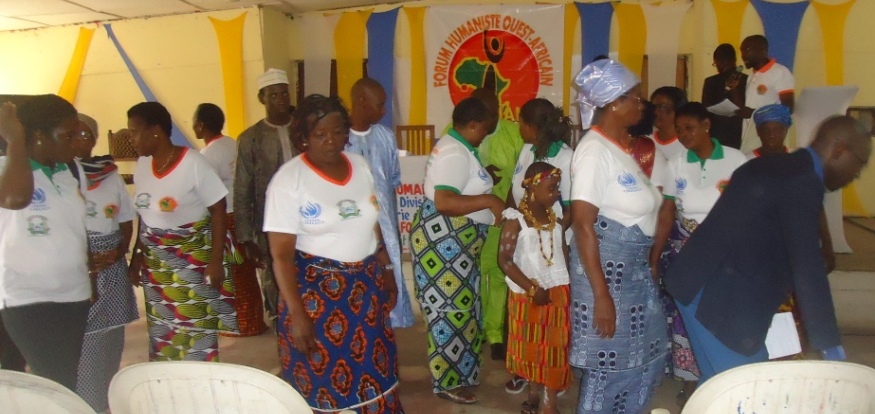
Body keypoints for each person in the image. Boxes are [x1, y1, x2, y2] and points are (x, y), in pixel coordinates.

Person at [664, 116, 871, 384]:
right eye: (860, 163)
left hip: (701, 283)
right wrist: (828, 342)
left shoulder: (779, 166)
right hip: (714, 297)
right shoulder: (801, 179)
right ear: (839, 150)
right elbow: (807, 265)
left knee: (721, 386)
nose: (857, 174)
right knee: (746, 388)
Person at [264, 94, 403, 413]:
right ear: (303, 137)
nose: (331, 140)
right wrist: (298, 314)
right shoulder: (288, 180)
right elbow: (281, 256)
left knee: (376, 369)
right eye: (320, 134)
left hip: (366, 290)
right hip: (317, 297)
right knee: (324, 379)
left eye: (338, 131)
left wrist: (386, 269)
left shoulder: (360, 166)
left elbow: (372, 221)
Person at [570, 59, 668, 413]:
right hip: (609, 278)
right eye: (636, 98)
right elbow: (583, 224)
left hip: (633, 274)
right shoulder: (594, 150)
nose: (643, 105)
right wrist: (601, 296)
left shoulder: (620, 149)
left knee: (641, 363)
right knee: (610, 371)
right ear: (613, 103)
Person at [649, 102, 747, 406]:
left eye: (689, 128)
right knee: (687, 321)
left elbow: (749, 209)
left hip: (727, 255)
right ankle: (692, 380)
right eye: (679, 130)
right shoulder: (676, 164)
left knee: (723, 316)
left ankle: (725, 376)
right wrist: (654, 258)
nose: (683, 135)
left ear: (707, 125)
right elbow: (667, 213)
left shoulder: (735, 159)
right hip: (686, 254)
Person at [127, 101, 238, 362]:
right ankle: (169, 381)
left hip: (192, 263)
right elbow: (144, 215)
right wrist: (137, 256)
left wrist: (215, 261)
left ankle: (200, 381)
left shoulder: (193, 163)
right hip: (157, 268)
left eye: (134, 132)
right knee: (164, 333)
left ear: (156, 131)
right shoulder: (142, 166)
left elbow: (219, 210)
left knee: (194, 332)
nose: (130, 139)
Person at [411, 97, 505, 404]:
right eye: (488, 124)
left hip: (456, 248)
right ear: (474, 125)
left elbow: (460, 185)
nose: (490, 130)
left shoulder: (461, 147)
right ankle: (447, 381)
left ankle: (462, 374)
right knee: (448, 313)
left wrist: (484, 179)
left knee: (463, 310)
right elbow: (445, 201)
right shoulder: (455, 153)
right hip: (445, 246)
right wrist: (490, 200)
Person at [0, 96, 91, 391]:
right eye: (68, 135)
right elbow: (15, 199)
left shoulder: (69, 172)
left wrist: (90, 275)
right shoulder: (6, 170)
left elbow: (76, 228)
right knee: (56, 383)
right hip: (27, 297)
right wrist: (15, 139)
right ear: (39, 137)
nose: (76, 142)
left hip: (73, 294)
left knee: (63, 379)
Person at [503, 97, 573, 397]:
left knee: (551, 321)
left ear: (532, 126)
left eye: (521, 122)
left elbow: (571, 205)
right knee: (524, 318)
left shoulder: (566, 157)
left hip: (550, 243)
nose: (519, 127)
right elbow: (515, 188)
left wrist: (552, 232)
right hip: (524, 236)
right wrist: (512, 218)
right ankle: (525, 371)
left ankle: (549, 380)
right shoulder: (527, 149)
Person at [70, 113, 139, 411]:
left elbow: (125, 219)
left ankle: (105, 403)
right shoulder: (57, 177)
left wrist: (119, 251)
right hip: (77, 268)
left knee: (111, 340)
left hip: (111, 264)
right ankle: (85, 405)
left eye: (87, 135)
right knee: (83, 344)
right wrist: (83, 257)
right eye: (73, 134)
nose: (80, 141)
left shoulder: (109, 174)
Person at [499, 162, 570, 414]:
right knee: (531, 348)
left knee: (554, 348)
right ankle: (533, 394)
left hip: (557, 291)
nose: (556, 194)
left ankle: (549, 403)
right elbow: (504, 260)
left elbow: (563, 252)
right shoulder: (515, 220)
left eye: (557, 188)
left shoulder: (556, 219)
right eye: (551, 188)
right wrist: (532, 289)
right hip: (527, 294)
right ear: (531, 188)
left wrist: (568, 285)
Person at [346, 78, 415, 329]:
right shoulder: (340, 138)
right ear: (362, 102)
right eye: (380, 104)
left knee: (389, 279)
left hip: (385, 226)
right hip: (351, 226)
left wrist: (393, 226)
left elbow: (393, 182)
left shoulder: (385, 136)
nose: (384, 110)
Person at [195, 103, 268, 337]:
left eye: (195, 122)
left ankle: (243, 325)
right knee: (245, 270)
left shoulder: (206, 156)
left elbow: (204, 193)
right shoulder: (232, 143)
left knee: (233, 272)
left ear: (201, 125)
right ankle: (254, 320)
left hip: (225, 217)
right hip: (244, 213)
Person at [235, 68, 299, 319]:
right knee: (273, 278)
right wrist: (246, 237)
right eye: (273, 95)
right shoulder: (250, 138)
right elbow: (243, 188)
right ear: (261, 98)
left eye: (284, 93)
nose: (280, 99)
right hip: (269, 221)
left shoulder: (304, 130)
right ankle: (281, 324)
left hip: (307, 216)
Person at [471, 88, 524, 361]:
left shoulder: (514, 134)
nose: (489, 119)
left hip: (503, 217)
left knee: (500, 275)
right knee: (475, 275)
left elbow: (522, 175)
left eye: (493, 113)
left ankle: (495, 334)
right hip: (470, 218)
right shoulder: (458, 131)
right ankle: (476, 329)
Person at [735, 35, 795, 154]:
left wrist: (753, 113)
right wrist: (733, 89)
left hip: (770, 138)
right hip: (750, 135)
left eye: (747, 50)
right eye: (741, 51)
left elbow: (788, 108)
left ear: (762, 50)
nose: (743, 55)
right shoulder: (751, 77)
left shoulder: (779, 72)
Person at [702, 44, 747, 150]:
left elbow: (704, 110)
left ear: (720, 61)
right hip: (741, 132)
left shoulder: (711, 81)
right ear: (734, 59)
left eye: (715, 63)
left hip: (718, 134)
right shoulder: (747, 79)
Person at [650, 86, 688, 160]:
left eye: (662, 107)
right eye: (653, 107)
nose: (656, 112)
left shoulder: (687, 144)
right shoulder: (646, 142)